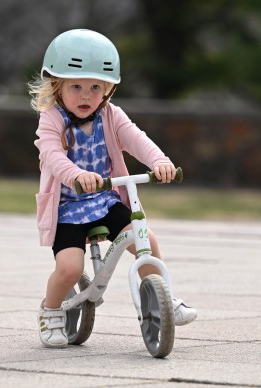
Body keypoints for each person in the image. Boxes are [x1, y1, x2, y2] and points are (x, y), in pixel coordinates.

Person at [29, 29, 197, 348]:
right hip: (68, 209)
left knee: (145, 238)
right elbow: (51, 156)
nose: (85, 95)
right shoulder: (51, 120)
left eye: (95, 87)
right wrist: (76, 173)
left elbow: (136, 139)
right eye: (75, 86)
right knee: (69, 268)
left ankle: (163, 297)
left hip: (106, 201)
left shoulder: (110, 115)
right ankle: (50, 310)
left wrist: (159, 161)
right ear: (57, 86)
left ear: (107, 89)